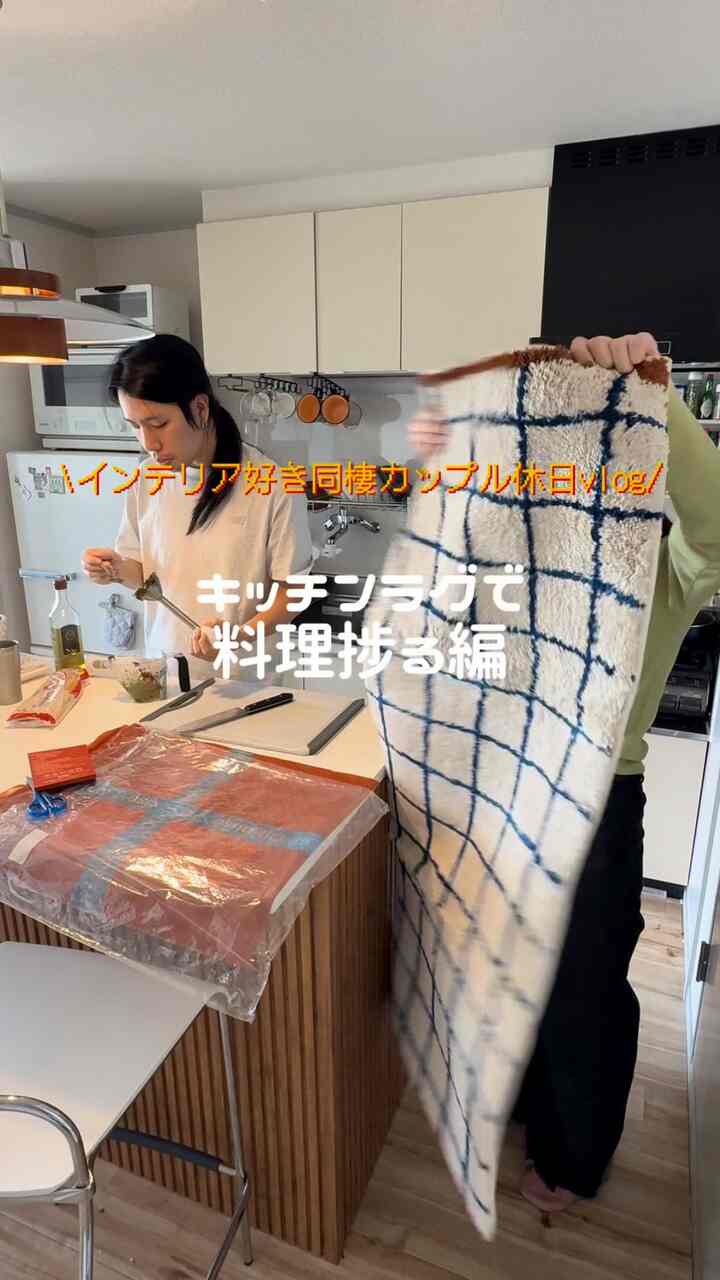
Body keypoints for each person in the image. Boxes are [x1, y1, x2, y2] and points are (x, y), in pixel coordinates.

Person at [407, 332, 720, 1213]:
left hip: (592, 808)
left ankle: (574, 1157)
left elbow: (718, 530)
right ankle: (524, 1108)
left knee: (584, 990)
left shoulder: (650, 576)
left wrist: (654, 396)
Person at [82, 334, 313, 675]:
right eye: (135, 426)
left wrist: (239, 635)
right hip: (166, 673)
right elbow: (146, 575)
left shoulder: (272, 483)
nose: (148, 443)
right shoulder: (146, 478)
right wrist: (114, 569)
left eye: (159, 424)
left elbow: (294, 593)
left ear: (200, 409)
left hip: (246, 681)